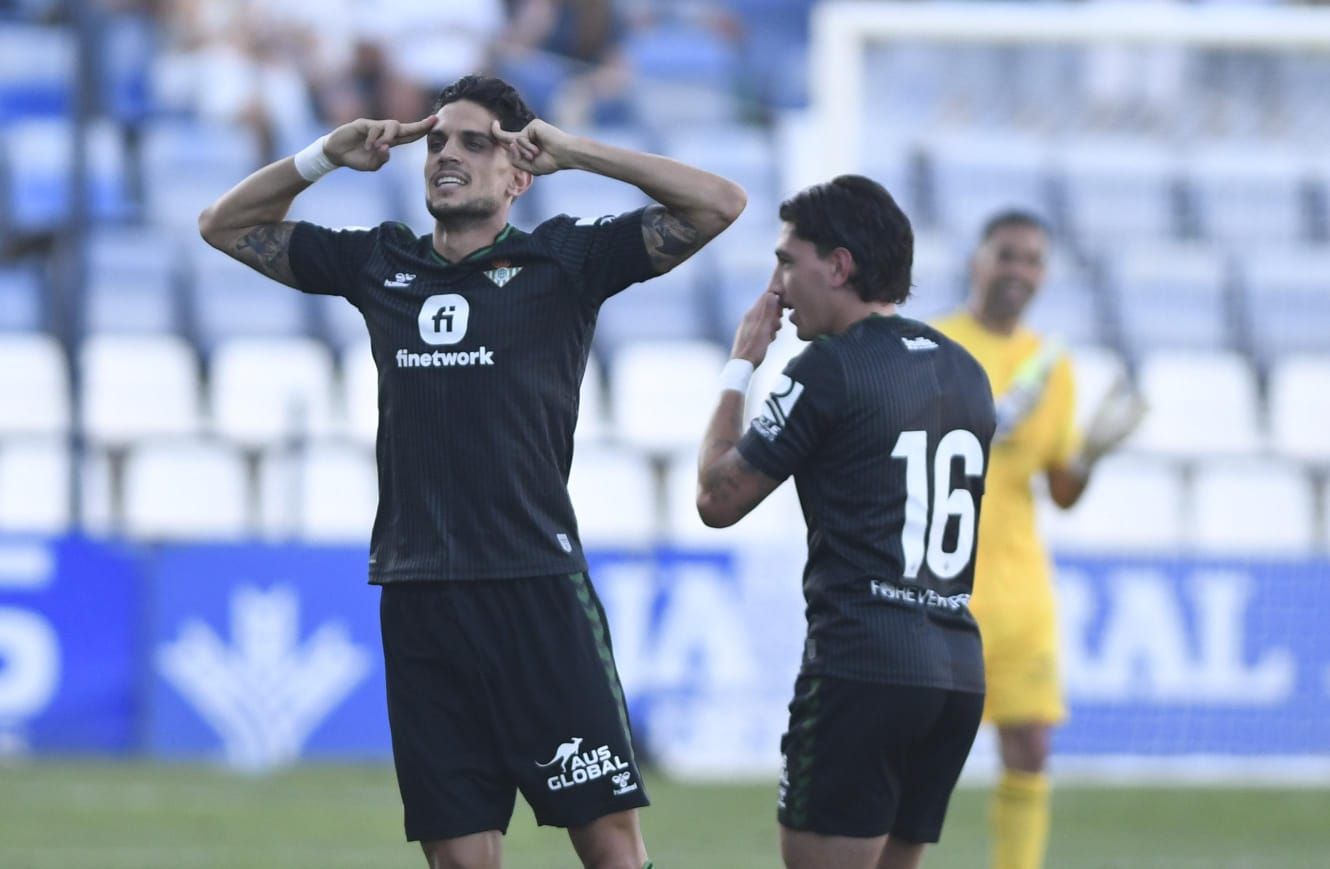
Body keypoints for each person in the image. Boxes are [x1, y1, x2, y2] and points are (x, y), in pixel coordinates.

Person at [198, 73, 745, 869]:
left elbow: (720, 204)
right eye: (438, 141)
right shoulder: (378, 264)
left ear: (519, 172)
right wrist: (325, 154)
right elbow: (222, 224)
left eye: (474, 142)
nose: (446, 155)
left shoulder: (565, 260)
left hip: (535, 591)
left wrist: (578, 150)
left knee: (611, 850)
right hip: (419, 598)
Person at [695, 175, 995, 869]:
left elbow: (717, 499)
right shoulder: (966, 369)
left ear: (839, 265)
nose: (777, 284)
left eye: (788, 260)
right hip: (953, 670)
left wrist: (741, 366)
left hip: (865, 663)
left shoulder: (828, 367)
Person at [933, 210, 1147, 869]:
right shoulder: (934, 344)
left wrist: (1089, 458)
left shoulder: (1050, 365)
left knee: (1029, 746)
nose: (1020, 271)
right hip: (940, 589)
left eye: (1033, 260)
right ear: (978, 260)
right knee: (914, 751)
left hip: (1021, 592)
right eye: (1007, 255)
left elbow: (1060, 490)